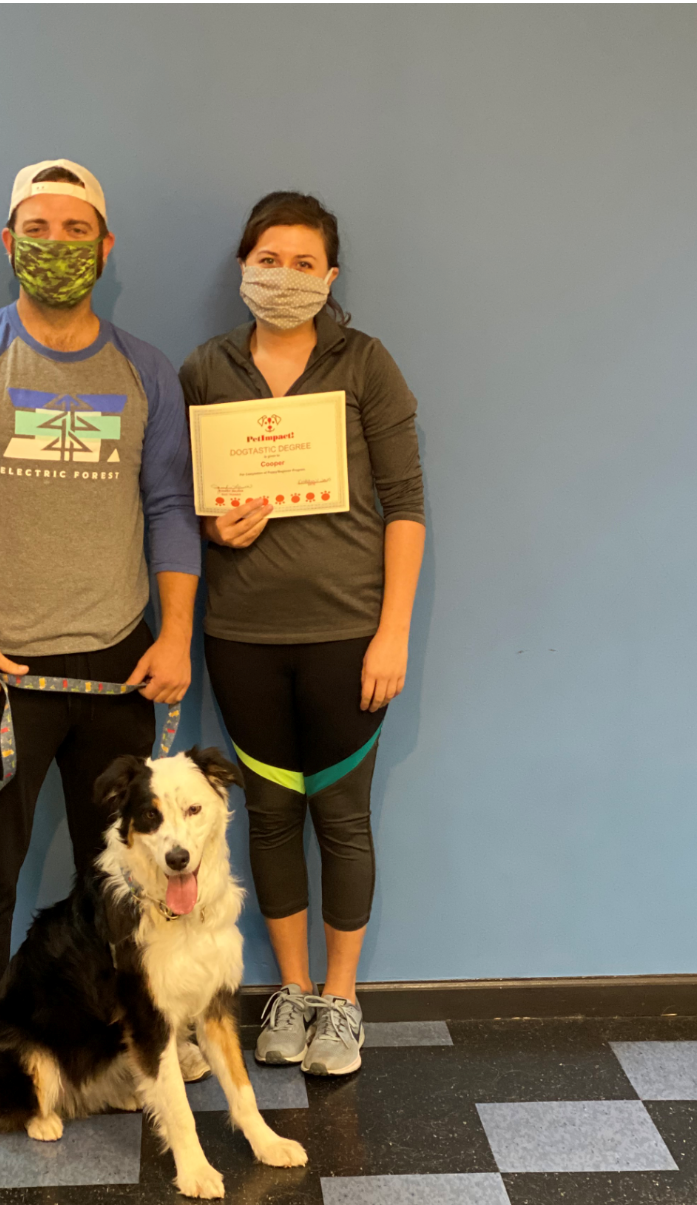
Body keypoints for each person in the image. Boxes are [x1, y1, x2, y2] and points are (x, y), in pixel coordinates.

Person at [0, 160, 199, 1126]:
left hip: (119, 664)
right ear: (9, 241)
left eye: (76, 230)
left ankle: (131, 1043)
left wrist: (176, 636)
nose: (56, 245)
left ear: (105, 248)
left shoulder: (146, 371)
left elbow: (171, 506)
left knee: (127, 878)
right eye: (38, 227)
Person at [179, 191, 425, 1076]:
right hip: (240, 637)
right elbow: (179, 500)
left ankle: (342, 998)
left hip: (348, 635)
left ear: (330, 275)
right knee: (272, 815)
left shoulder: (365, 363)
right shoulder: (205, 369)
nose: (283, 276)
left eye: (303, 263)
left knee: (343, 817)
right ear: (243, 266)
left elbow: (406, 504)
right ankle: (290, 989)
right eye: (268, 259)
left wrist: (392, 632)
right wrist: (213, 528)